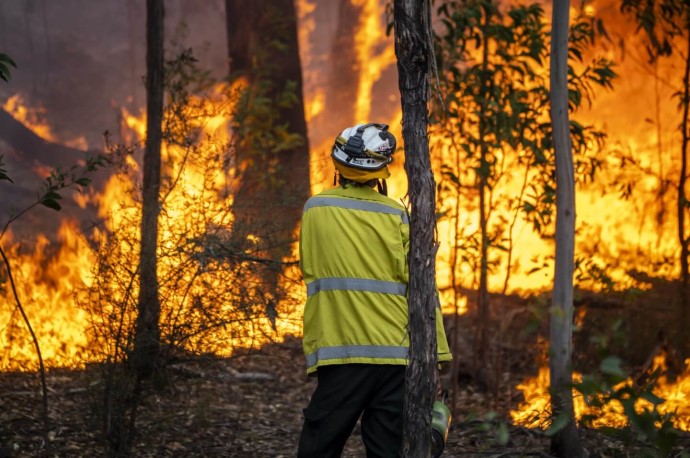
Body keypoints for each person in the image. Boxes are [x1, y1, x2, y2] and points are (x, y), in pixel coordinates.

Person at [297, 123, 452, 457]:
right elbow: (423, 288)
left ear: (337, 165)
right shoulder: (399, 215)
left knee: (319, 446)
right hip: (396, 356)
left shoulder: (315, 209)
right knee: (386, 451)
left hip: (342, 353)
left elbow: (309, 267)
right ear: (382, 169)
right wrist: (437, 356)